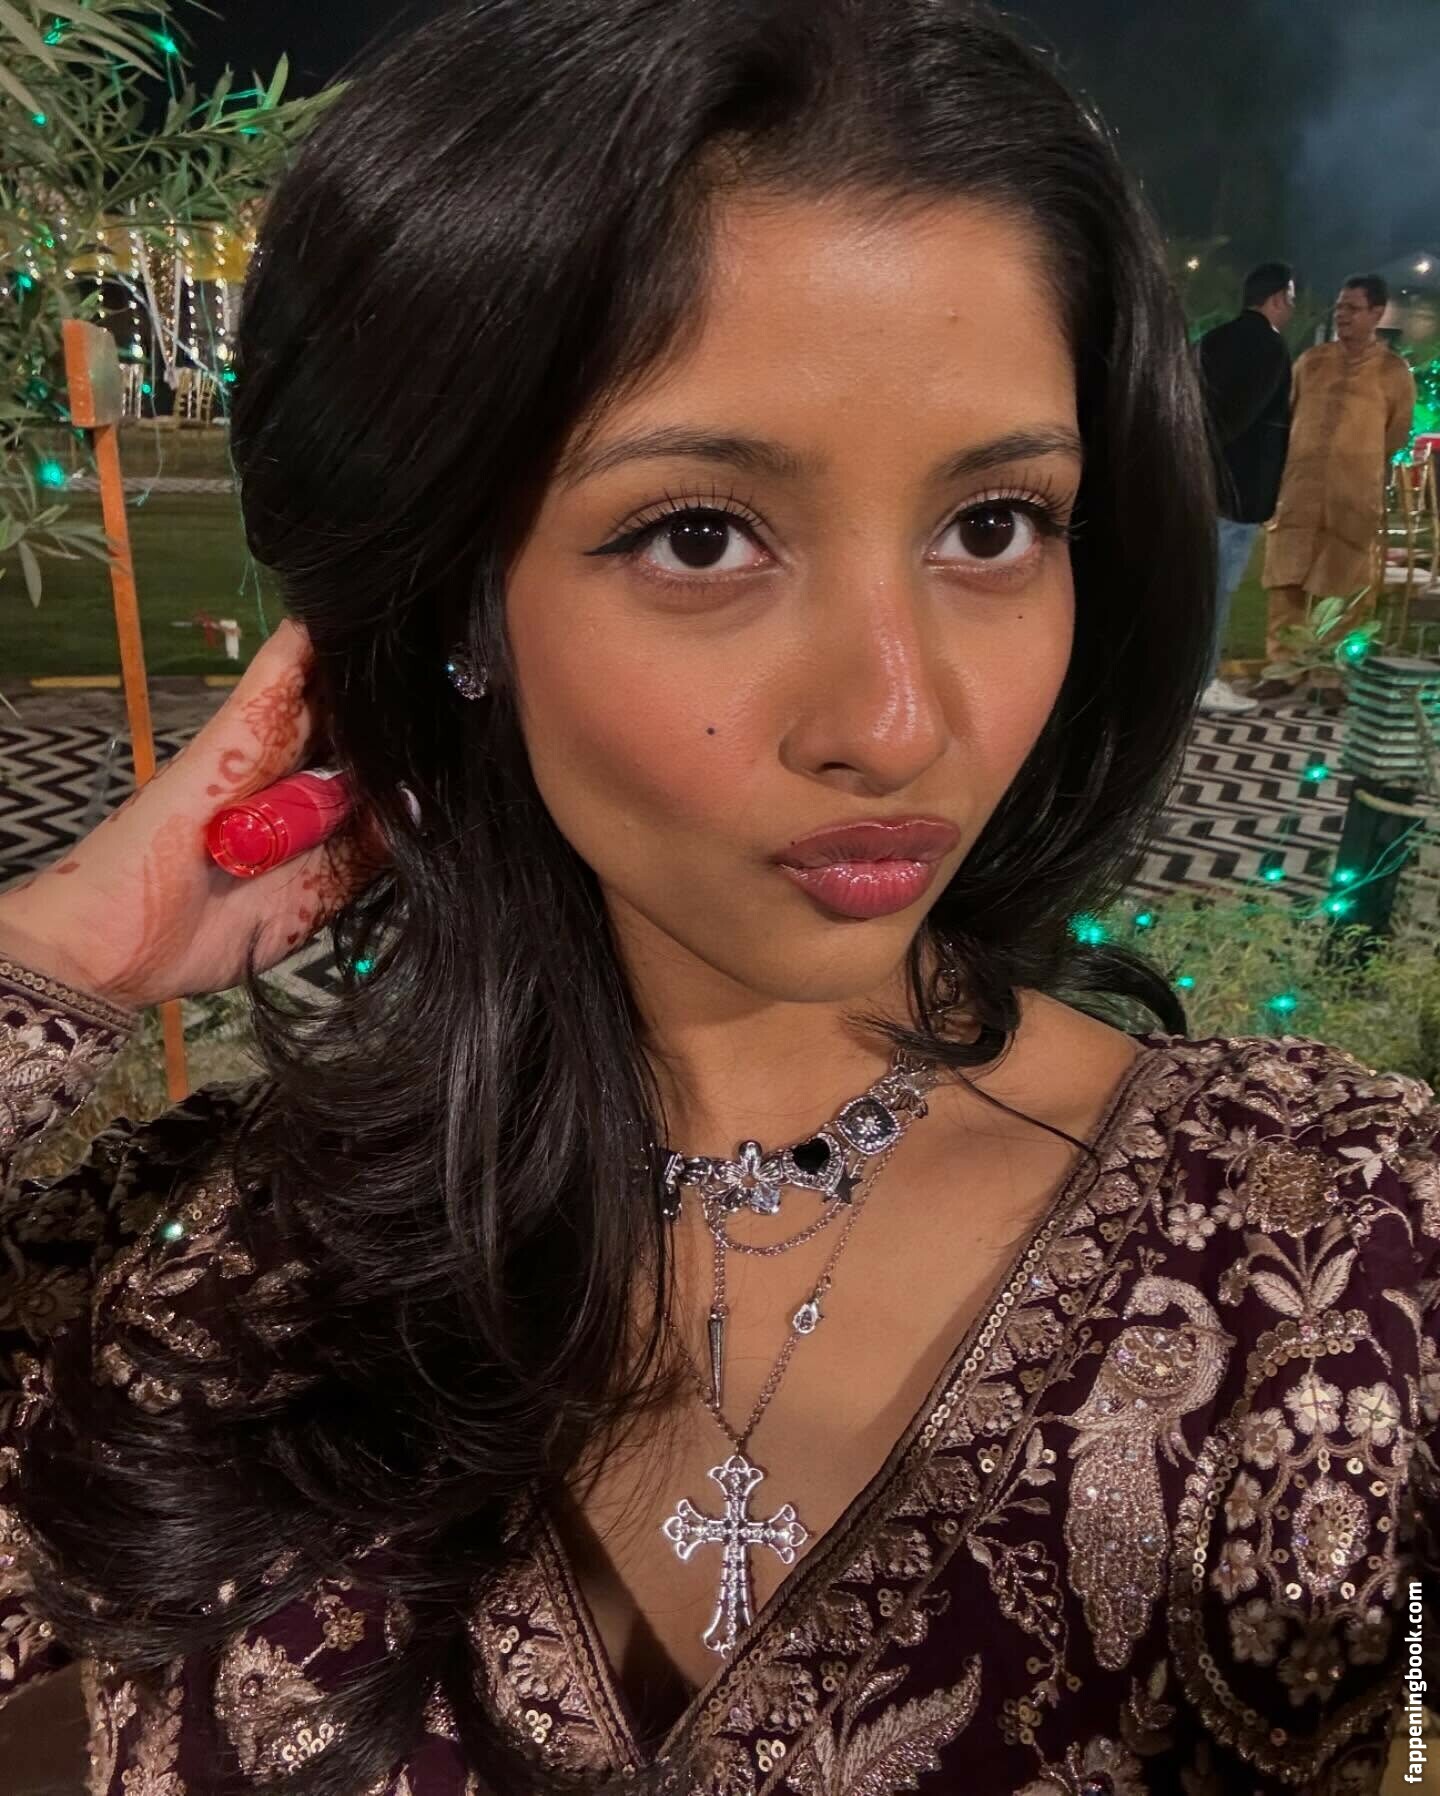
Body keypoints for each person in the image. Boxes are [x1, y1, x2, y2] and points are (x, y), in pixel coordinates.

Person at [1, 4, 1437, 1793]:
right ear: (458, 599)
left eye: (993, 526)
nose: (895, 722)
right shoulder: (207, 1272)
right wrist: (54, 952)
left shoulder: (1343, 1258)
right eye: (701, 536)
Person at [1255, 273, 1417, 701]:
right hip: (1300, 492)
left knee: (1343, 588)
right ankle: (1283, 668)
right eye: (1340, 307)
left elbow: (1396, 434)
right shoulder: (1312, 362)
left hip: (1351, 497)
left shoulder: (1393, 372)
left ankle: (1329, 676)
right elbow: (1288, 415)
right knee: (1285, 583)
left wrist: (1355, 460)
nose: (1342, 315)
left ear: (1377, 313)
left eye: (1353, 308)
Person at [1195, 263, 1296, 715]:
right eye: (1289, 299)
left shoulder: (1213, 340)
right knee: (1217, 590)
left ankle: (1181, 679)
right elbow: (1241, 416)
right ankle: (1202, 681)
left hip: (1200, 488)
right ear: (1276, 298)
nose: (1291, 308)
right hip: (1237, 494)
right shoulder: (1270, 348)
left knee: (1195, 586)